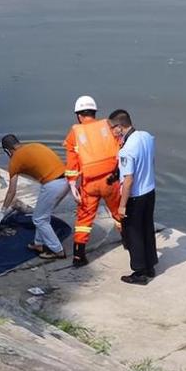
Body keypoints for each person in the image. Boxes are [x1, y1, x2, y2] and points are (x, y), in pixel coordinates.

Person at [63, 95, 122, 267]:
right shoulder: (108, 127)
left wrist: (72, 184)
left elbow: (72, 162)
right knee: (119, 213)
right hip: (111, 180)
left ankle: (79, 256)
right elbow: (120, 151)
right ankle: (128, 241)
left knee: (84, 219)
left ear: (79, 115)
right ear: (94, 112)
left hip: (89, 184)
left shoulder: (75, 132)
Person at [0, 134, 70, 259]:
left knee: (39, 219)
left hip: (52, 185)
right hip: (66, 180)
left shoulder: (14, 160)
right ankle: (38, 244)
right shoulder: (35, 145)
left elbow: (12, 191)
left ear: (7, 151)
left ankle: (58, 250)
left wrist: (2, 212)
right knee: (42, 216)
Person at [109, 109, 157, 285]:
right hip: (150, 191)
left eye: (113, 128)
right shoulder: (146, 136)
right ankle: (150, 265)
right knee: (147, 228)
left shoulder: (126, 150)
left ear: (120, 127)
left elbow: (128, 180)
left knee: (133, 233)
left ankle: (139, 272)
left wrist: (122, 206)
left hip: (135, 196)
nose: (112, 132)